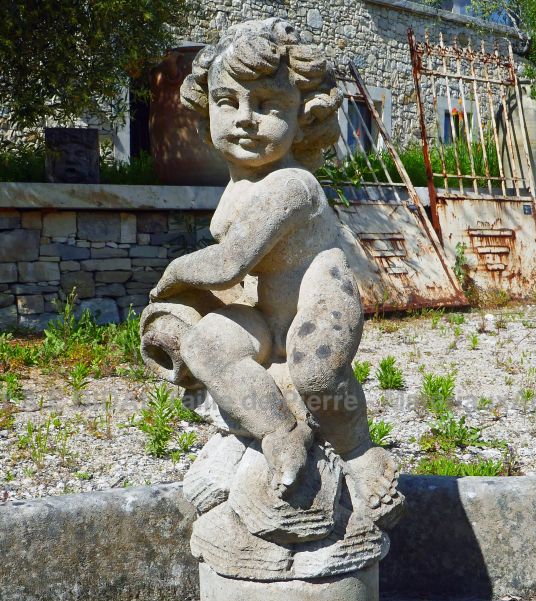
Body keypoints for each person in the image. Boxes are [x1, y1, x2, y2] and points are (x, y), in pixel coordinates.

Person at [149, 18, 398, 510]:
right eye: (229, 103)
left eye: (267, 105)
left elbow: (229, 263)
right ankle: (277, 432)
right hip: (265, 311)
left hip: (318, 296)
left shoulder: (292, 185)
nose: (245, 118)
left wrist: (172, 276)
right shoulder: (236, 186)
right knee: (206, 345)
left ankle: (359, 451)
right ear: (207, 113)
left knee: (316, 374)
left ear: (303, 117)